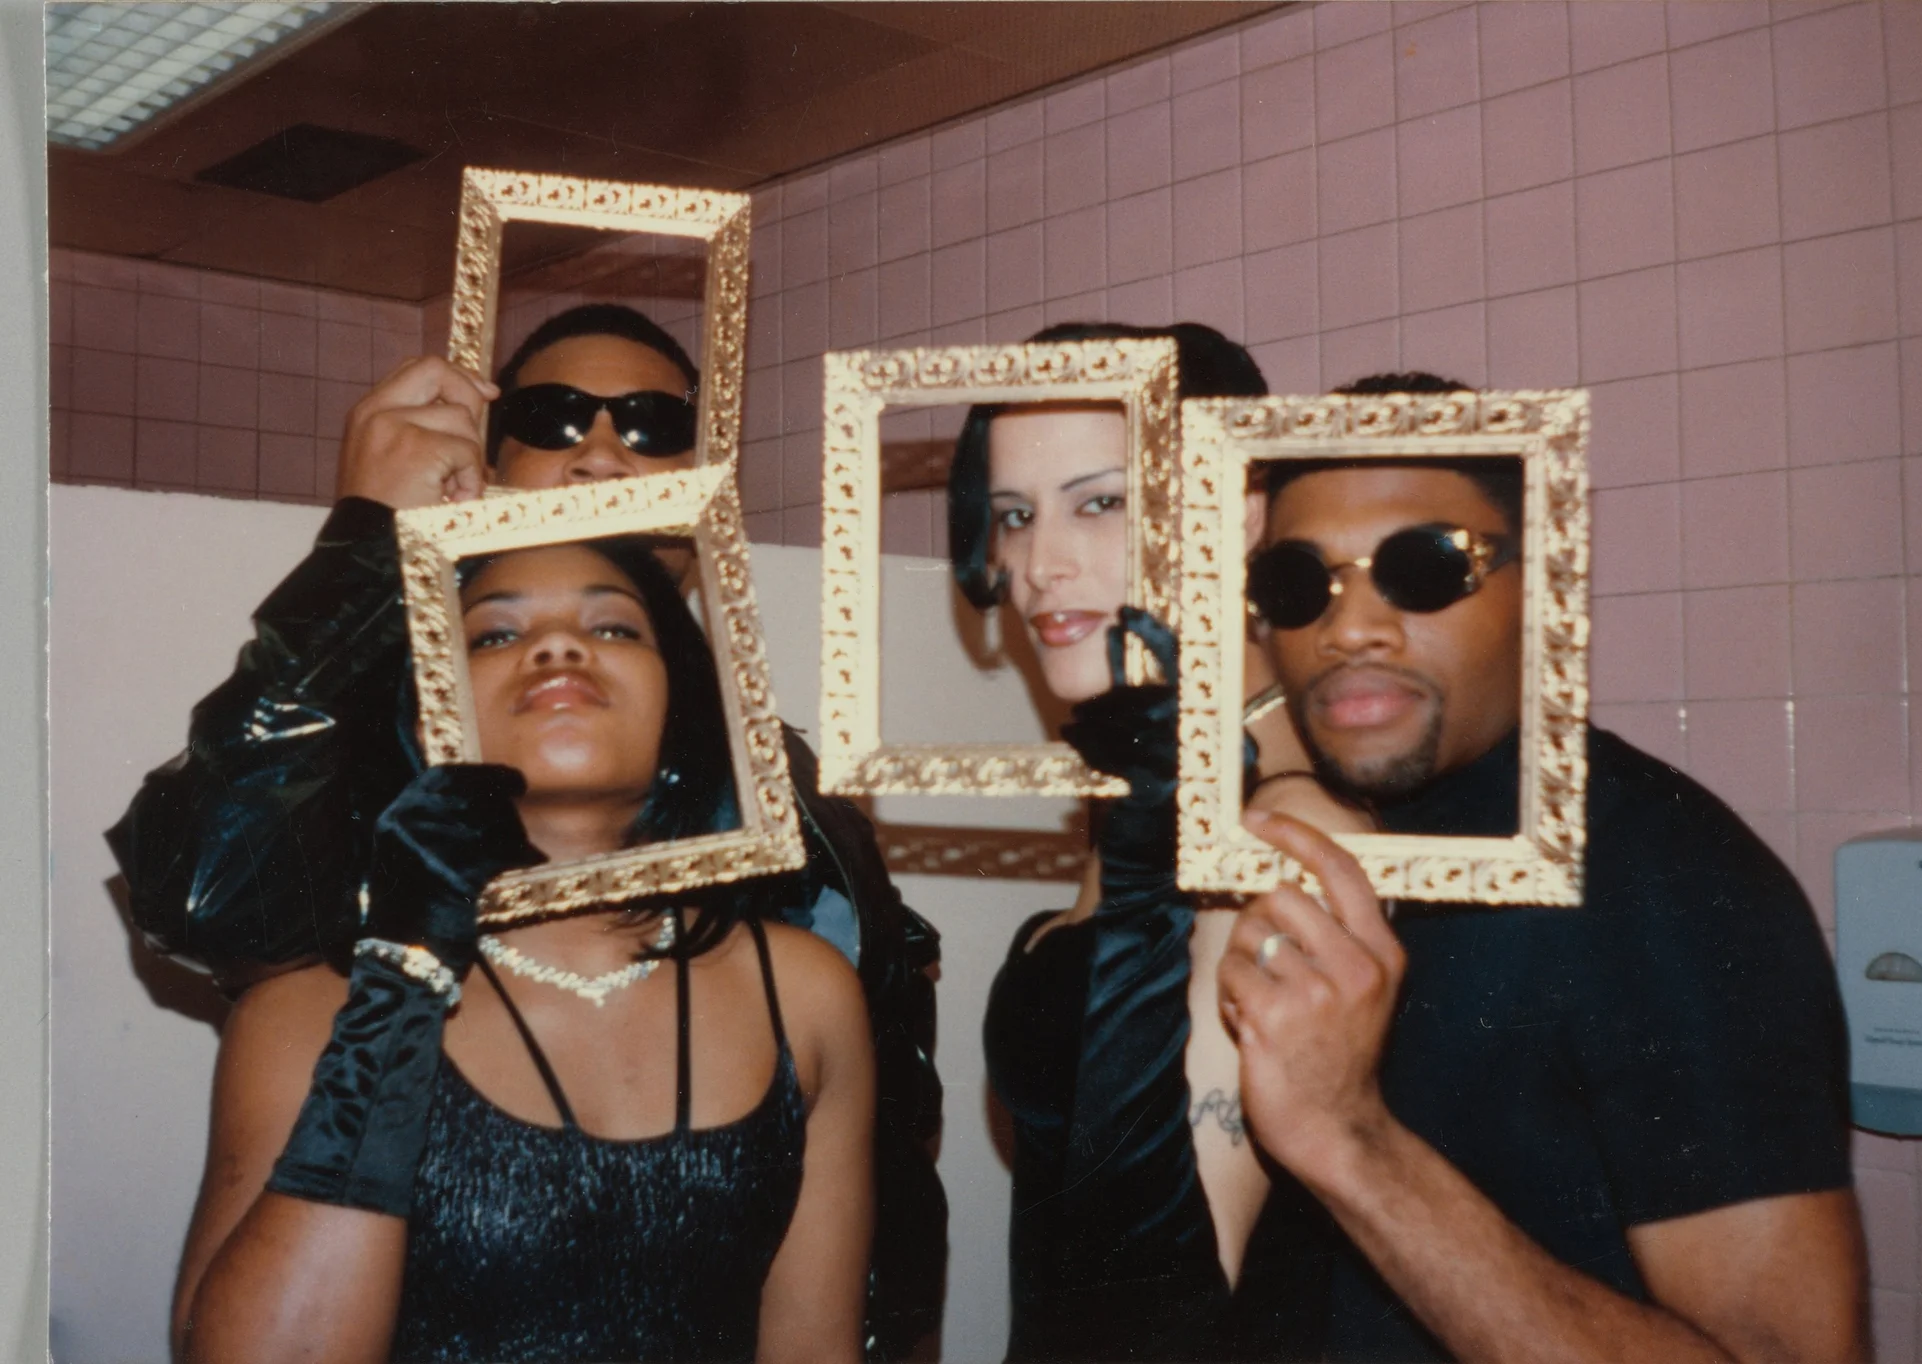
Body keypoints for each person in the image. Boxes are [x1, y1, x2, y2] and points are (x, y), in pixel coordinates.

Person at [110, 304, 946, 1360]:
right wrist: (370, 538)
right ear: (484, 477)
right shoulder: (367, 767)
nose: (601, 452)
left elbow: (883, 1144)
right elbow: (204, 888)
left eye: (650, 425)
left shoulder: (794, 805)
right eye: (554, 418)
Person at [1213, 373, 1865, 1362]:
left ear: (1546, 583)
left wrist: (1351, 1138)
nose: (1346, 627)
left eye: (1423, 567)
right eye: (1297, 583)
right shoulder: (1320, 848)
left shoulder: (1666, 882)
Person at [174, 537, 874, 1363]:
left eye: (614, 627)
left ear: (680, 704)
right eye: (494, 635)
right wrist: (405, 978)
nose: (557, 647)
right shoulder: (305, 1014)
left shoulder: (803, 995)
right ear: (426, 707)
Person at [954, 321, 1368, 1361]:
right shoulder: (1157, 786)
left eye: (1099, 501)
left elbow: (1158, 1315)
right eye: (1013, 514)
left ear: (1236, 515)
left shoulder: (1277, 831)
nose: (1037, 563)